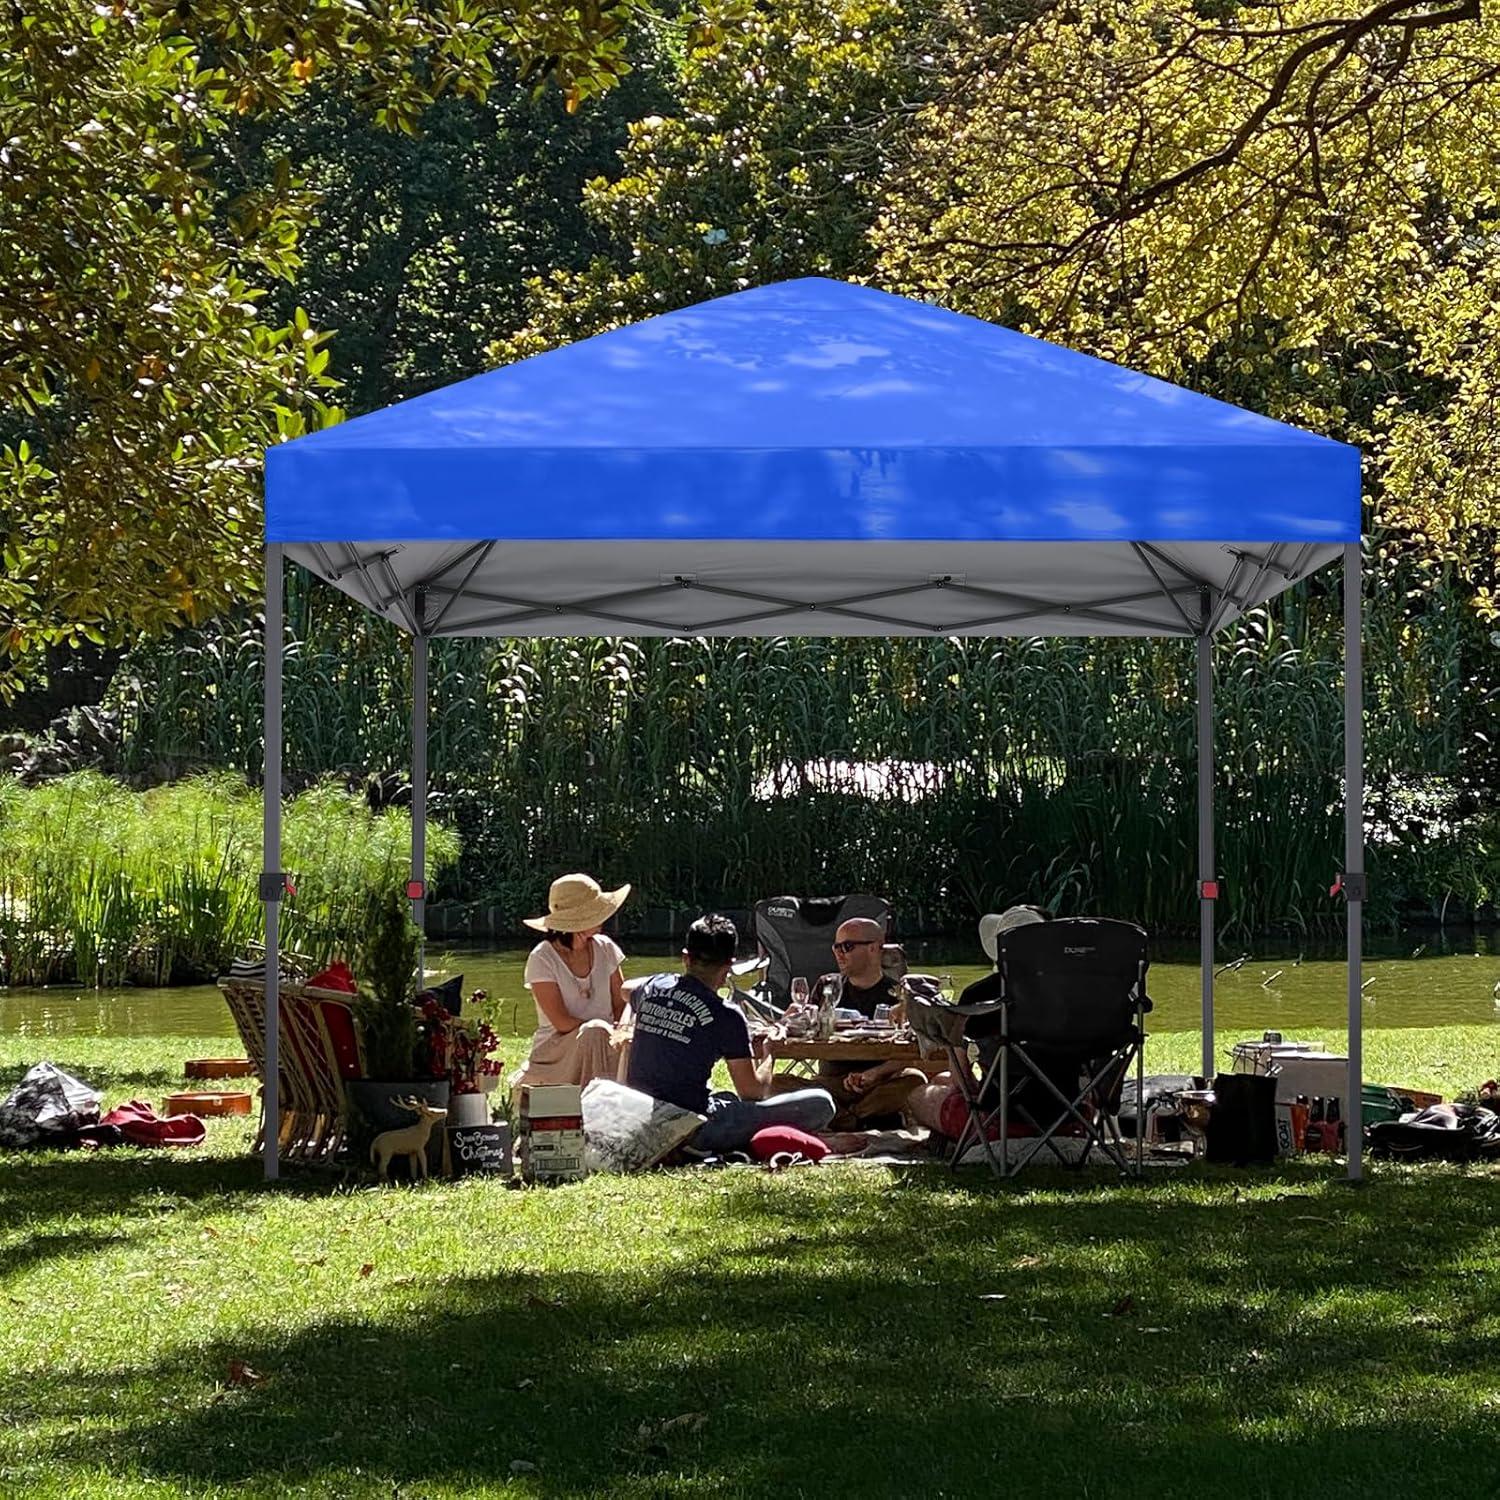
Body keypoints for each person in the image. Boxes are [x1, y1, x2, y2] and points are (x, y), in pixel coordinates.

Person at [628, 914, 835, 1154]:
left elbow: (626, 990)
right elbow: (752, 1092)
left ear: (686, 958)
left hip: (637, 1117)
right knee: (822, 1103)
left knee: (726, 1096)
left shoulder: (654, 986)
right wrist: (770, 1051)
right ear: (730, 965)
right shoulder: (726, 1014)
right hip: (692, 1129)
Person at [800, 917, 934, 1130]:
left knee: (915, 1080)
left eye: (847, 946)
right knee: (777, 1084)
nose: (838, 953)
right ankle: (862, 1119)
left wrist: (875, 1074)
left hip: (878, 1083)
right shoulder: (828, 987)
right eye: (836, 947)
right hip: (831, 1081)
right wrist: (797, 1017)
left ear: (873, 948)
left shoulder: (900, 996)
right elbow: (805, 1032)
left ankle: (841, 1118)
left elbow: (915, 1048)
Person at [510, 873, 631, 1090]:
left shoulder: (605, 947)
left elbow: (621, 1004)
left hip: (605, 1039)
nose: (602, 921)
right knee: (595, 1031)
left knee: (632, 1033)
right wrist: (603, 1032)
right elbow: (561, 1022)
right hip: (559, 1047)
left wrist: (621, 1031)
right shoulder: (542, 958)